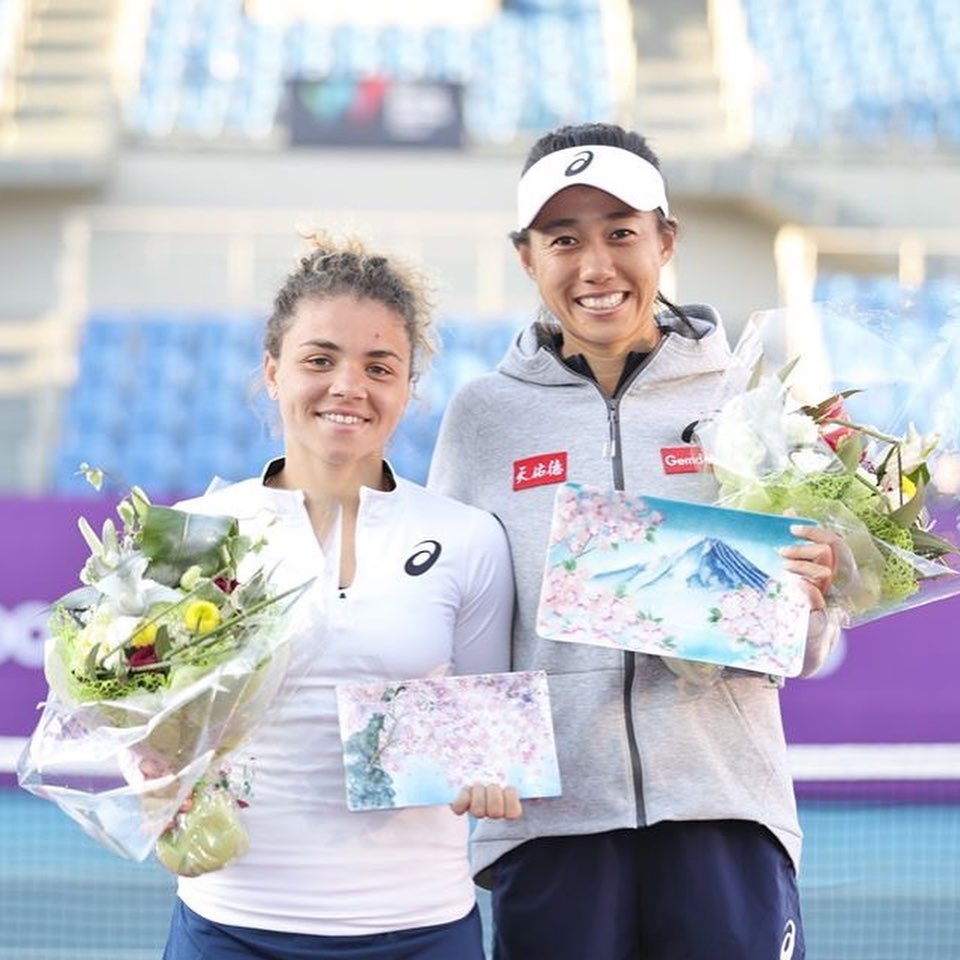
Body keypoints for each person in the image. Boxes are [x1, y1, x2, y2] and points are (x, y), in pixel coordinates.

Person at [427, 122, 842, 960]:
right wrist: (467, 755)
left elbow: (807, 647)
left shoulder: (751, 401)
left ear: (666, 240)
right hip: (552, 825)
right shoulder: (483, 418)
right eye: (563, 240)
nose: (596, 266)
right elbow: (450, 614)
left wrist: (813, 593)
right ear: (526, 257)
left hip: (723, 805)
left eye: (621, 233)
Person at [162, 232, 520, 960]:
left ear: (408, 388)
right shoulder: (194, 534)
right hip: (229, 925)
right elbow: (151, 726)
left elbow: (488, 728)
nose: (348, 386)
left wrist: (493, 773)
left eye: (378, 367)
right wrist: (154, 776)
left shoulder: (470, 538)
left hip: (424, 929)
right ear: (273, 372)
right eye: (320, 360)